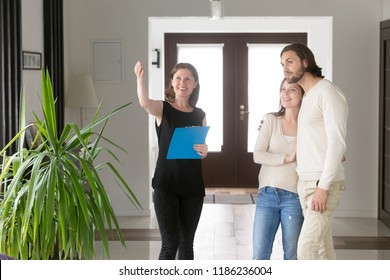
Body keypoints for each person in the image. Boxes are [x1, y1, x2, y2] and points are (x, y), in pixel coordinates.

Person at [280, 42, 349, 260]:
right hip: (306, 182)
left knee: (306, 248)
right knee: (322, 248)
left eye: (289, 62)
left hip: (322, 184)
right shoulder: (309, 96)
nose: (285, 68)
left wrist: (323, 187)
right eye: (282, 64)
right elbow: (315, 139)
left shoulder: (328, 93)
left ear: (305, 62)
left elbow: (337, 142)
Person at [134, 61, 208, 260]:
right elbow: (144, 103)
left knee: (186, 243)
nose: (182, 83)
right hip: (166, 185)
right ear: (172, 83)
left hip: (193, 187)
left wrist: (205, 150)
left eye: (188, 79)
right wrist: (140, 80)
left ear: (195, 84)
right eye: (178, 78)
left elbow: (201, 147)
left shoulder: (200, 114)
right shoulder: (162, 108)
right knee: (170, 242)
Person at [252, 78, 305, 260]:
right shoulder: (271, 121)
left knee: (292, 256)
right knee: (260, 256)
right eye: (283, 89)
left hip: (295, 197)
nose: (285, 93)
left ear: (303, 94)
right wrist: (287, 158)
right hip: (267, 195)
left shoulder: (310, 126)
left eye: (292, 90)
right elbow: (258, 154)